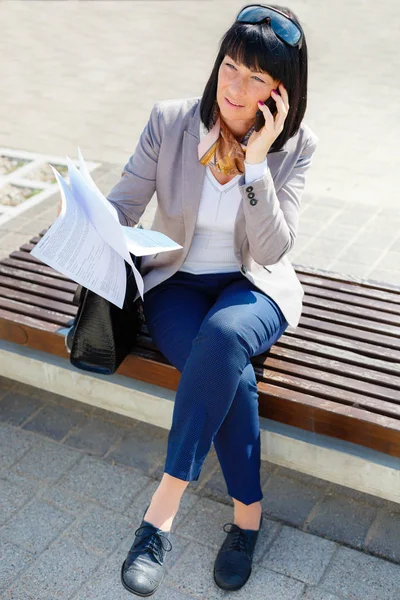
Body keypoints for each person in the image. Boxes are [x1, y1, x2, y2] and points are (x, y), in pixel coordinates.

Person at [104, 4, 318, 596]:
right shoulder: (171, 122)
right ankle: (248, 520)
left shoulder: (295, 145)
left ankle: (160, 514)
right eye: (229, 66)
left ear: (281, 91)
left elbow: (274, 250)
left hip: (254, 287)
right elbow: (122, 206)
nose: (235, 86)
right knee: (230, 372)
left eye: (256, 77)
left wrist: (255, 167)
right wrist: (96, 227)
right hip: (178, 282)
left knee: (225, 338)